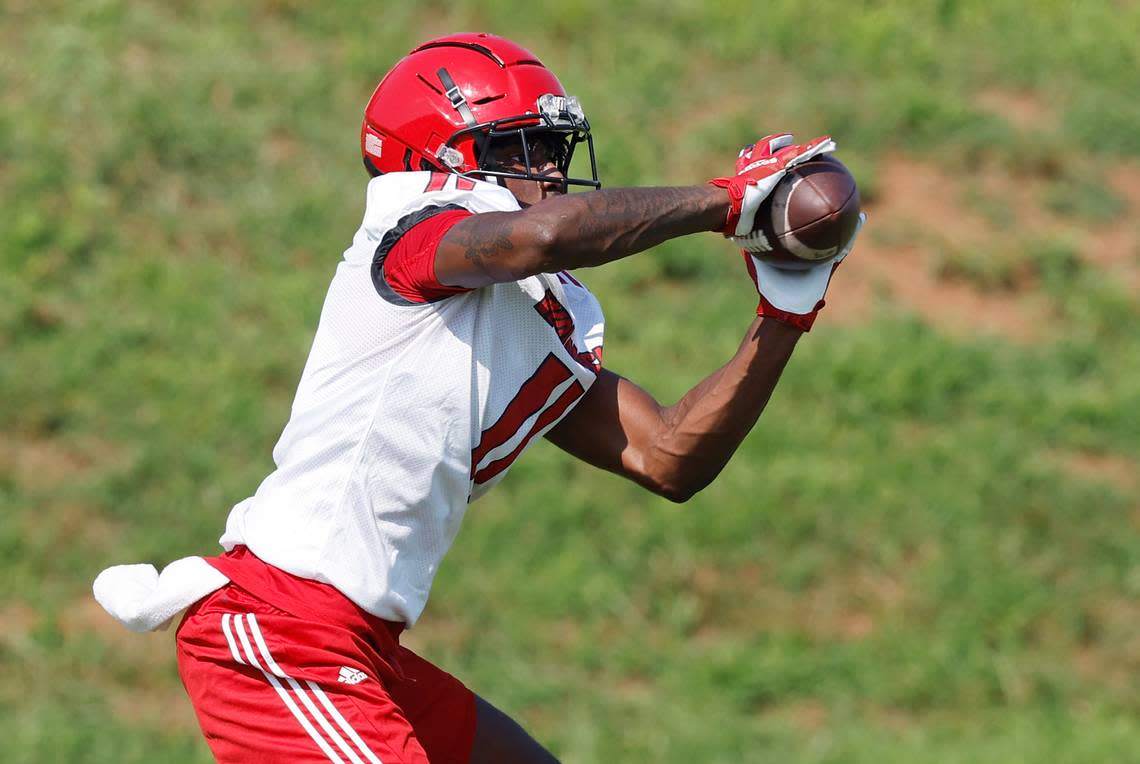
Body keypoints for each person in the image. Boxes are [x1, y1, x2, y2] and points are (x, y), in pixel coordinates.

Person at [94, 32, 863, 763]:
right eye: (525, 149)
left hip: (359, 644)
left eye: (556, 151)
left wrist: (783, 318)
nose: (552, 172)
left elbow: (669, 457)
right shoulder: (413, 233)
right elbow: (539, 238)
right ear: (443, 159)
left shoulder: (519, 312)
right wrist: (725, 203)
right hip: (281, 630)